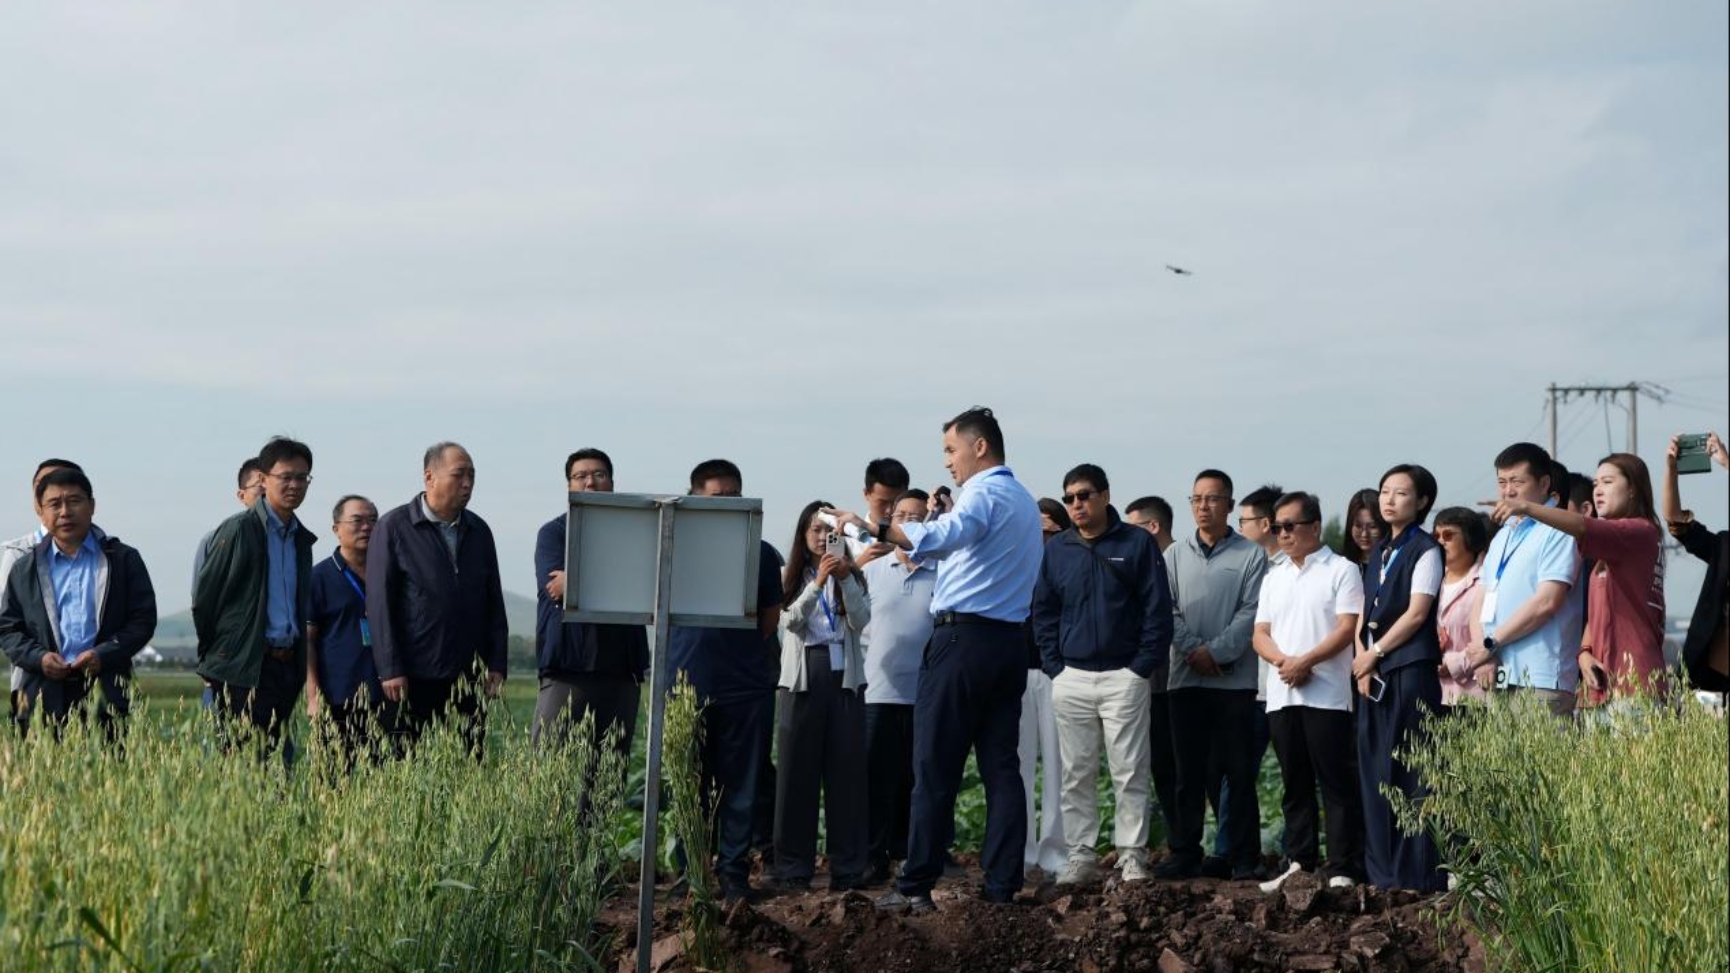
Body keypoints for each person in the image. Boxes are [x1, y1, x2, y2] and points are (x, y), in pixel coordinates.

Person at [826, 406, 1042, 915]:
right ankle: (1002, 884)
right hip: (1008, 643)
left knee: (933, 764)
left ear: (979, 447)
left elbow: (939, 539)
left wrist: (874, 526)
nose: (947, 461)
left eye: (950, 449)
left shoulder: (983, 493)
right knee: (1001, 767)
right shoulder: (1023, 501)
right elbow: (961, 546)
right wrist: (942, 515)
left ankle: (915, 884)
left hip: (962, 643)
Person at [1031, 464, 1172, 885]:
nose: (1076, 504)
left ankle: (1132, 855)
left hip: (1123, 676)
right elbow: (1044, 611)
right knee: (1075, 773)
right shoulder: (1058, 550)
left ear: (1105, 496)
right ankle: (1081, 855)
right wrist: (1056, 667)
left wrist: (1139, 668)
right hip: (1071, 676)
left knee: (1129, 770)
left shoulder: (1136, 543)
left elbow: (1157, 610)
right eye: (1069, 497)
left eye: (1084, 495)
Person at [666, 459, 784, 904]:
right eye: (717, 497)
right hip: (685, 682)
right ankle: (691, 872)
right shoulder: (673, 548)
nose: (727, 504)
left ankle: (734, 873)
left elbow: (769, 619)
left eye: (734, 496)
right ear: (694, 498)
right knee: (689, 783)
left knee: (741, 786)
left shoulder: (761, 552)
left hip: (746, 685)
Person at [1484, 453, 1666, 708]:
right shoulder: (1608, 551)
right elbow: (1598, 611)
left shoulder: (1638, 530)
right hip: (1602, 684)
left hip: (1634, 682)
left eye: (1608, 482)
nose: (1598, 490)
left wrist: (1526, 507)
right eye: (1596, 484)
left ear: (1633, 489)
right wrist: (1585, 653)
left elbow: (1582, 527)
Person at [1157, 469, 1268, 881]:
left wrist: (1215, 652)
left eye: (1213, 498)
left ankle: (1244, 856)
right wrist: (1193, 651)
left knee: (1237, 772)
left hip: (1233, 683)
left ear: (1230, 505)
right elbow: (1165, 609)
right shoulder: (1174, 555)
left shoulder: (1251, 555)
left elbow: (1251, 612)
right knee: (1186, 773)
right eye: (1197, 499)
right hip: (1185, 680)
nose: (1203, 506)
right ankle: (1185, 852)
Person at [1252, 491, 1365, 892]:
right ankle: (1299, 863)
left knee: (1335, 783)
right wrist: (1285, 662)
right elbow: (1260, 634)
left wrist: (1307, 662)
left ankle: (1342, 866)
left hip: (1327, 694)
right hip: (1283, 693)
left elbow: (1347, 628)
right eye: (1276, 527)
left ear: (1314, 526)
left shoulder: (1341, 569)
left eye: (1290, 526)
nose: (1282, 534)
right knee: (1294, 784)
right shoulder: (1275, 576)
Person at [367, 442, 508, 756]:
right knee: (405, 763)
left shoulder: (479, 530)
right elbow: (379, 604)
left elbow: (493, 601)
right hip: (413, 675)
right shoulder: (394, 527)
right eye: (459, 475)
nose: (467, 484)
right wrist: (390, 667)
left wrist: (497, 662)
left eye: (472, 476)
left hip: (469, 676)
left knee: (467, 764)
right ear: (429, 477)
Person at [0, 467, 156, 738]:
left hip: (107, 693)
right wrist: (39, 658)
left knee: (110, 763)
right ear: (40, 512)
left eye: (74, 501)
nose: (65, 512)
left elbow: (142, 620)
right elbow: (8, 629)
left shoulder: (122, 560)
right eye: (54, 504)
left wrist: (103, 654)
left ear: (92, 506)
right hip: (39, 695)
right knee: (41, 765)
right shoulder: (25, 568)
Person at [1349, 464, 1445, 893]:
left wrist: (1375, 653)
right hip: (1376, 675)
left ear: (1422, 501)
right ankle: (1383, 874)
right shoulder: (1380, 552)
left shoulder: (1425, 550)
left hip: (1409, 671)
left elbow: (1417, 613)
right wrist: (1363, 661)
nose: (1389, 500)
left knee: (1410, 773)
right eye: (1385, 491)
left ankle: (1417, 875)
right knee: (1376, 771)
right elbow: (1364, 614)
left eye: (1401, 493)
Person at [194, 437, 319, 752]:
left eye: (302, 477)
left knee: (274, 764)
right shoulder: (239, 529)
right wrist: (214, 659)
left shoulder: (300, 538)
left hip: (286, 668)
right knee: (238, 763)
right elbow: (206, 601)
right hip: (243, 666)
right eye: (285, 477)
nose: (294, 485)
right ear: (264, 479)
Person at [772, 501, 871, 891]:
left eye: (829, 531)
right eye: (814, 529)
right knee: (796, 774)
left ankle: (848, 868)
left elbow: (861, 620)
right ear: (803, 534)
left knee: (847, 775)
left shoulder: (852, 576)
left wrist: (844, 578)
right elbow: (790, 622)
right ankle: (793, 868)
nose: (821, 537)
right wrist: (817, 584)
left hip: (844, 677)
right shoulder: (791, 575)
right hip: (802, 678)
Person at [532, 448, 649, 754]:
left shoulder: (635, 534)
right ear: (569, 485)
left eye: (599, 474)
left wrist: (578, 578)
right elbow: (557, 589)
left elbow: (644, 583)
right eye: (580, 476)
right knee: (548, 765)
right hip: (567, 667)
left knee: (609, 771)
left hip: (622, 669)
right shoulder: (554, 533)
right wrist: (615, 579)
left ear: (612, 482)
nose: (590, 482)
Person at [1455, 443, 1583, 718]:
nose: (1508, 491)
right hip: (1498, 671)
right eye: (1502, 482)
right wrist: (1483, 654)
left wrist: (1490, 644)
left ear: (1544, 484)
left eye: (1517, 482)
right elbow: (1480, 601)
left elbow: (1546, 602)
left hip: (1540, 677)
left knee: (1543, 748)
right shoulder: (1503, 534)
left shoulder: (1560, 529)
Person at [861, 489, 937, 886]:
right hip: (879, 690)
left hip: (926, 692)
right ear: (889, 520)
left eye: (918, 517)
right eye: (902, 515)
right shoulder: (873, 569)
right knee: (876, 779)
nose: (908, 522)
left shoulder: (943, 572)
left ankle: (911, 855)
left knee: (918, 779)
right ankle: (873, 857)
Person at [1224, 483, 1284, 869]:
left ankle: (1296, 855)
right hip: (1250, 688)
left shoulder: (1290, 570)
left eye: (1243, 520)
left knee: (1296, 777)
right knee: (1238, 775)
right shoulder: (1249, 568)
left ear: (1264, 524)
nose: (1238, 528)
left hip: (1287, 687)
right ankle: (1233, 853)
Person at [3, 459, 83, 732]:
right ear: (38, 502)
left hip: (93, 688)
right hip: (28, 686)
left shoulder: (107, 555)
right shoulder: (17, 554)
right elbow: (7, 625)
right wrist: (39, 658)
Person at [305, 495, 385, 763]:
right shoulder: (318, 577)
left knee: (387, 779)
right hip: (336, 699)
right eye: (357, 521)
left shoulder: (388, 572)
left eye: (373, 521)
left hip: (386, 696)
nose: (367, 527)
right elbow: (307, 642)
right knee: (333, 778)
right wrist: (313, 697)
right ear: (336, 529)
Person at [1019, 496, 1070, 880]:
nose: (1041, 539)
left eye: (1049, 531)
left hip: (1058, 672)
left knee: (1059, 765)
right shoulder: (1014, 564)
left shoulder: (1069, 566)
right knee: (1016, 766)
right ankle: (1020, 851)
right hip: (1016, 671)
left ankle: (1056, 851)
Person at [1124, 494, 1179, 844]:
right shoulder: (1142, 562)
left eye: (1133, 528)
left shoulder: (1177, 559)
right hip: (1152, 680)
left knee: (1186, 768)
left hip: (1179, 678)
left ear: (1153, 526)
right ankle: (1177, 843)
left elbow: (1172, 617)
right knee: (1161, 767)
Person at [1663, 432, 1729, 694]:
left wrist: (1727, 463)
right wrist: (1671, 471)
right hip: (1718, 678)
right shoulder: (1724, 547)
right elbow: (1677, 523)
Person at [1431, 507, 1493, 709]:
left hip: (1473, 694)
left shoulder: (1487, 581)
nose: (1441, 541)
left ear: (1470, 538)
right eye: (1436, 536)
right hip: (1432, 691)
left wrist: (1454, 664)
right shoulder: (1430, 579)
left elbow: (1492, 635)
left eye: (1448, 535)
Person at [193, 457, 266, 597]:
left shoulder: (293, 538)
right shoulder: (214, 539)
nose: (267, 494)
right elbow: (200, 596)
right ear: (242, 496)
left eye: (272, 487)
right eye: (260, 487)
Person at [853, 458, 912, 567]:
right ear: (866, 494)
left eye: (896, 502)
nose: (889, 510)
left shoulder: (918, 538)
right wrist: (858, 565)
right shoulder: (848, 540)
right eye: (882, 502)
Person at [1341, 489, 1386, 566]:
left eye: (1372, 527)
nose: (1364, 534)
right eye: (1358, 526)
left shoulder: (1392, 563)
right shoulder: (1340, 565)